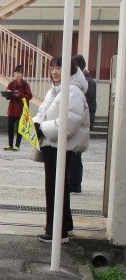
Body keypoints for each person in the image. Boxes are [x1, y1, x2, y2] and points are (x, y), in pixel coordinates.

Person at [33, 56, 90, 244]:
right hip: (52, 144)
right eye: (52, 68)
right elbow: (42, 113)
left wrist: (42, 129)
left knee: (54, 188)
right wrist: (34, 124)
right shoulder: (57, 89)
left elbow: (68, 123)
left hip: (59, 145)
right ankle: (65, 225)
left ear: (70, 70)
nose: (54, 72)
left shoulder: (72, 91)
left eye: (59, 68)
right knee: (59, 187)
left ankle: (57, 232)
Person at [68, 54, 97, 193]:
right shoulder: (88, 81)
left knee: (75, 155)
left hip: (81, 123)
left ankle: (74, 185)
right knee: (73, 154)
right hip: (82, 122)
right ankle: (72, 183)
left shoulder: (85, 82)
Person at [3, 64, 33, 151]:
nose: (16, 75)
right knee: (10, 128)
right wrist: (7, 94)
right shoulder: (11, 84)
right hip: (12, 109)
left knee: (19, 129)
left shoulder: (25, 85)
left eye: (18, 73)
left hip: (21, 110)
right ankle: (10, 145)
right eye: (15, 73)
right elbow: (7, 97)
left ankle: (17, 145)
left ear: (22, 74)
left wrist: (19, 95)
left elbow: (29, 96)